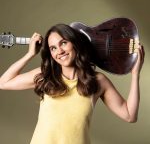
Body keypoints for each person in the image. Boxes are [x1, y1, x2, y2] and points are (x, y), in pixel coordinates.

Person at [0, 24, 144, 144]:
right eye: (53, 48)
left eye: (63, 43)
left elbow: (129, 115)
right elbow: (3, 82)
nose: (59, 51)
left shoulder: (97, 81)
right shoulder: (46, 75)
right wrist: (30, 54)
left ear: (74, 43)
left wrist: (135, 75)